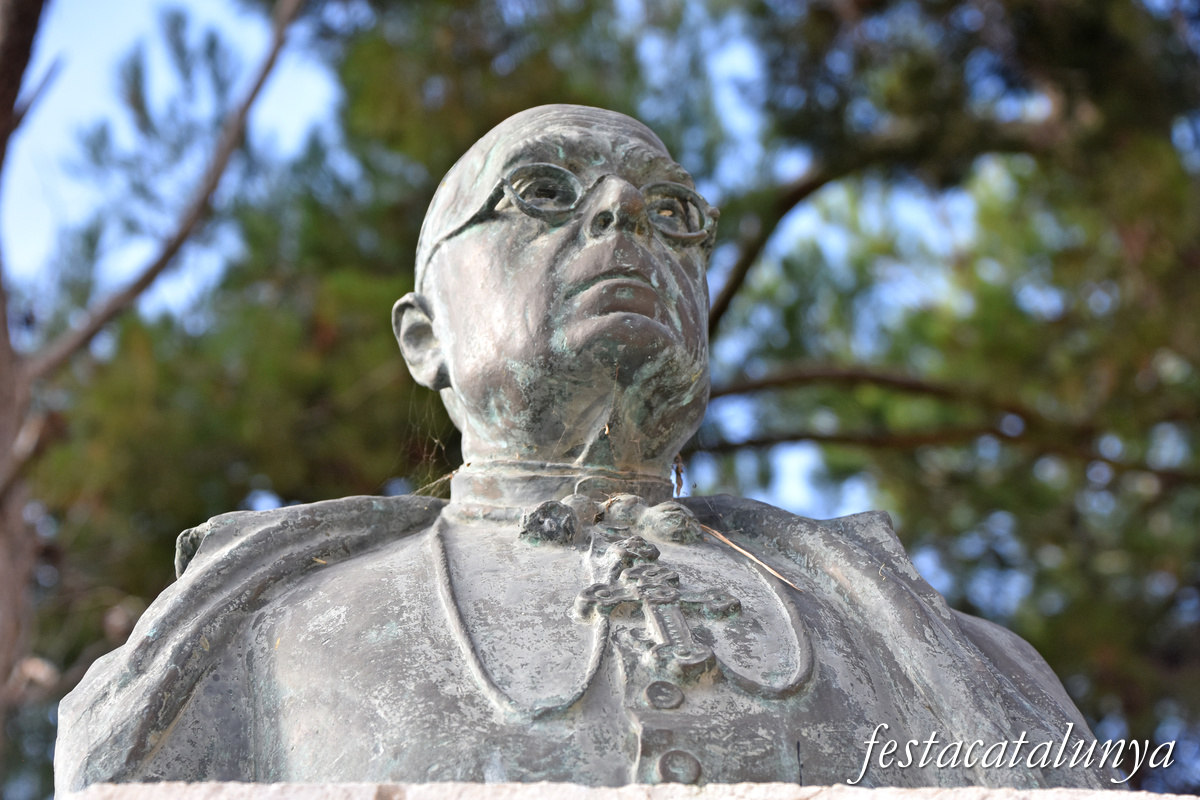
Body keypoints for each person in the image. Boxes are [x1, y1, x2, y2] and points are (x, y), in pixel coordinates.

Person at [55, 105, 1117, 791]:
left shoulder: (943, 652)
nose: (623, 214)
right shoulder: (252, 638)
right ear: (424, 337)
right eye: (544, 193)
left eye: (673, 212)